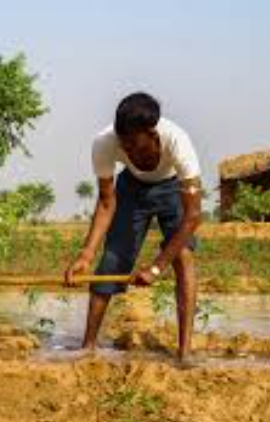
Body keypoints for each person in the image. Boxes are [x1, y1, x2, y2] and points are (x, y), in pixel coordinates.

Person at [64, 92, 202, 361]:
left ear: (153, 134)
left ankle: (184, 353)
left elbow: (193, 216)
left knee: (183, 256)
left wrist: (155, 267)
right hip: (132, 189)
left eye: (137, 147)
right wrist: (86, 255)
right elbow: (106, 203)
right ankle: (87, 346)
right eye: (124, 147)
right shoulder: (104, 143)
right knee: (112, 259)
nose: (130, 152)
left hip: (173, 188)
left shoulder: (178, 142)